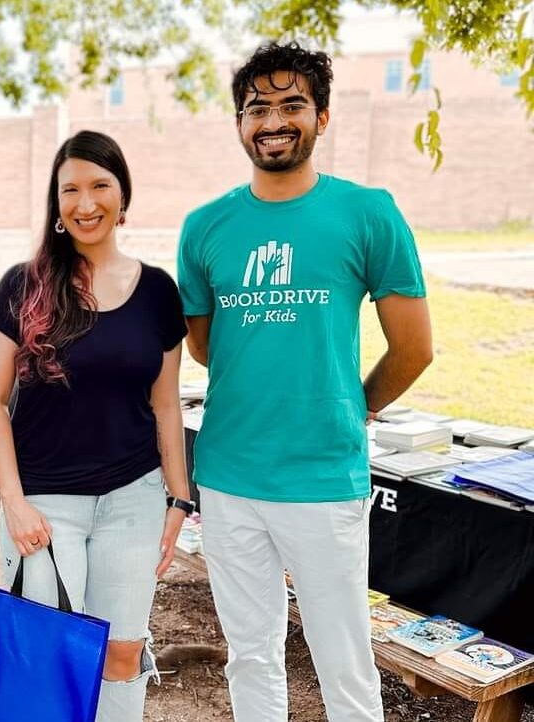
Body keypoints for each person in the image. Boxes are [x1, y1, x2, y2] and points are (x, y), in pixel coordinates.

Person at [177, 42, 433, 722]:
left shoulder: (368, 212)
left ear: (322, 117)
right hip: (230, 479)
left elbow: (415, 348)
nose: (273, 121)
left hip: (323, 477)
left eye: (293, 105)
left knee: (343, 660)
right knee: (252, 653)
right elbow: (207, 348)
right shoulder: (204, 228)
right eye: (257, 108)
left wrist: (355, 408)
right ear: (239, 124)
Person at [0, 129, 193, 721]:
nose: (86, 201)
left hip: (134, 499)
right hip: (45, 507)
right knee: (48, 660)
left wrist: (178, 498)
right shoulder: (23, 286)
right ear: (56, 204)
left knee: (122, 651)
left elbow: (166, 405)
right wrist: (14, 502)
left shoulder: (157, 292)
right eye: (69, 189)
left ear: (123, 195)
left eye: (100, 185)